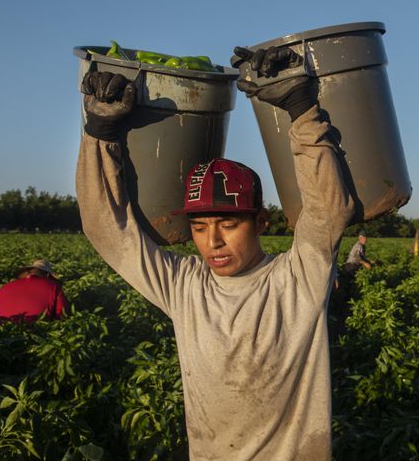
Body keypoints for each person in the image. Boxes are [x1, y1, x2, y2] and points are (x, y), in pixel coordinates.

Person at [76, 45, 354, 460]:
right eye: (201, 227)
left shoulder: (297, 279)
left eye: (229, 224)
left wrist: (301, 108)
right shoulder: (183, 286)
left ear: (261, 223)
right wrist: (99, 133)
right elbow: (109, 229)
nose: (213, 242)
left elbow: (328, 209)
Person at [0, 259, 68, 324]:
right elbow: (61, 316)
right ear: (47, 275)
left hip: (2, 333)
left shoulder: (5, 286)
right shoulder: (54, 287)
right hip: (35, 332)